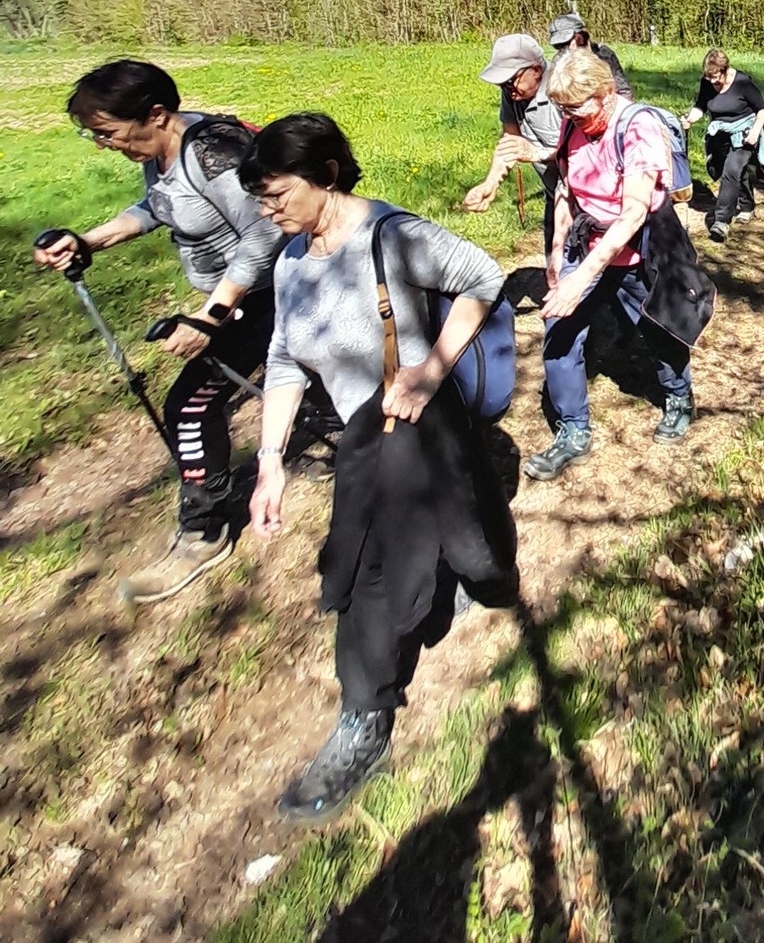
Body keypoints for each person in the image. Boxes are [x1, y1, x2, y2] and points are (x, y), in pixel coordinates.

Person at [241, 113, 518, 821]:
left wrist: (431, 369)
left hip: (425, 418)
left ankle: (484, 577)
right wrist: (270, 460)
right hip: (368, 438)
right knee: (364, 564)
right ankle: (364, 718)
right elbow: (283, 359)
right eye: (260, 200)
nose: (268, 213)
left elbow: (483, 276)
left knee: (472, 548)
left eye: (277, 196)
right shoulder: (291, 260)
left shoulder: (392, 236)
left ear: (327, 175)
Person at [33, 60, 284, 602]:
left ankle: (204, 530)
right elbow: (161, 205)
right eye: (93, 134)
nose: (103, 145)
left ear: (155, 114)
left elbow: (264, 235)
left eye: (107, 132)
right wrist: (89, 240)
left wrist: (211, 316)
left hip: (273, 294)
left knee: (190, 407)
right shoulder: (163, 151)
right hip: (238, 300)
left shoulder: (212, 154)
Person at [524, 50, 697, 481]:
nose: (569, 117)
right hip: (586, 244)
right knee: (559, 328)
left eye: (575, 108)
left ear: (605, 93)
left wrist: (580, 277)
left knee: (658, 328)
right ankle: (573, 431)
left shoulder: (638, 127)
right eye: (563, 110)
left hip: (638, 249)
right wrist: (557, 251)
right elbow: (566, 189)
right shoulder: (573, 123)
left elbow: (634, 212)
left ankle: (678, 395)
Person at [463, 34, 563, 221]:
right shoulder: (514, 92)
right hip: (557, 196)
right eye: (500, 83)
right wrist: (490, 185)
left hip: (592, 200)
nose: (506, 88)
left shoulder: (565, 89)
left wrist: (538, 153)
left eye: (509, 80)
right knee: (554, 240)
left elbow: (587, 150)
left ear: (535, 70)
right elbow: (510, 141)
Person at [680, 50, 764, 243]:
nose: (712, 82)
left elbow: (762, 108)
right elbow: (701, 106)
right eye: (709, 77)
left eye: (716, 77)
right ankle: (747, 205)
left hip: (744, 133)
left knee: (732, 170)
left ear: (725, 70)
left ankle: (721, 221)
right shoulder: (707, 82)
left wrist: (755, 132)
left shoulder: (742, 83)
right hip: (720, 134)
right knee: (731, 171)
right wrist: (690, 119)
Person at [547, 13, 633, 98]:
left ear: (581, 36)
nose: (567, 48)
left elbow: (624, 91)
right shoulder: (559, 62)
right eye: (561, 45)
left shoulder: (604, 54)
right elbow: (556, 96)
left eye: (568, 42)